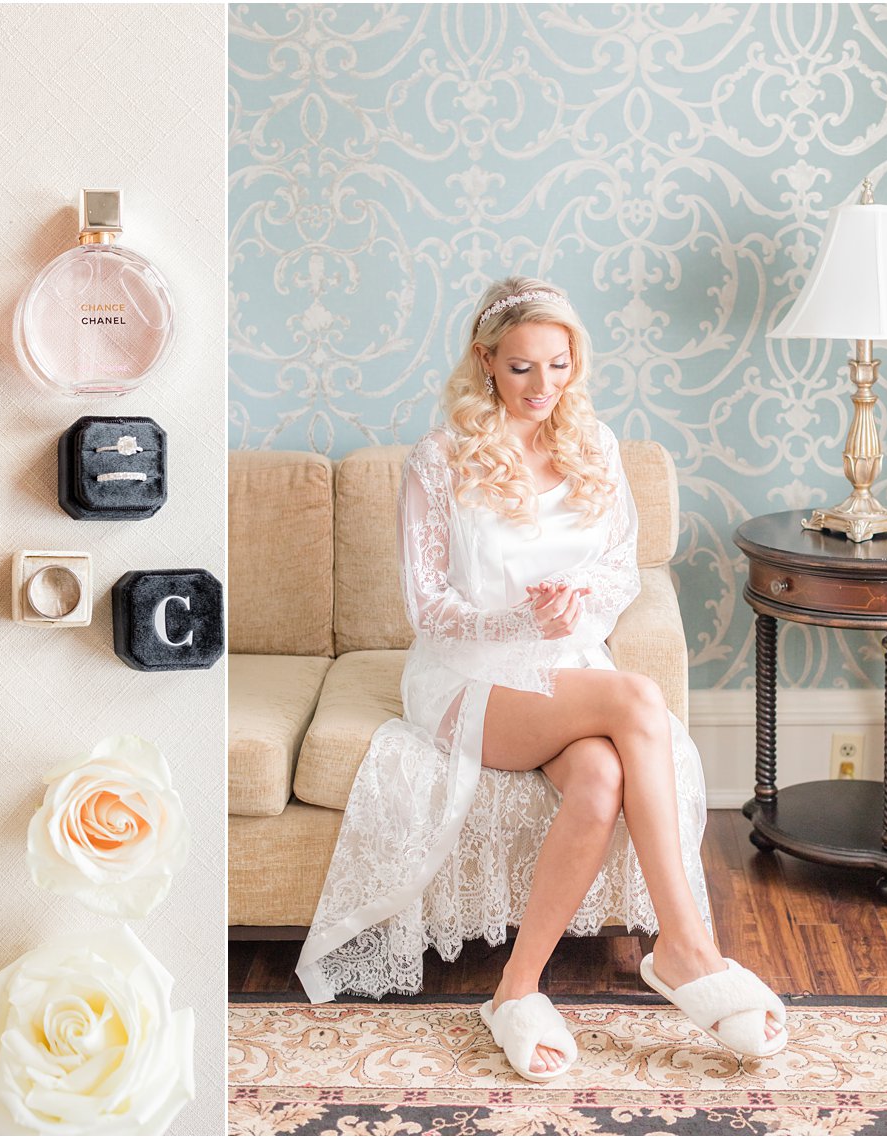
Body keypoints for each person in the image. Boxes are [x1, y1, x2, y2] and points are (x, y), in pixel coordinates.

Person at [294, 277, 787, 1081]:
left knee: (598, 776)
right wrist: (525, 620)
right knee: (638, 699)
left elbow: (620, 574)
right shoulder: (440, 458)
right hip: (466, 676)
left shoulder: (595, 445)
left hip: (563, 666)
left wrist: (575, 605)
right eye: (522, 368)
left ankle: (515, 990)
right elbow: (429, 606)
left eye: (559, 366)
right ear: (486, 361)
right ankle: (689, 948)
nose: (543, 387)